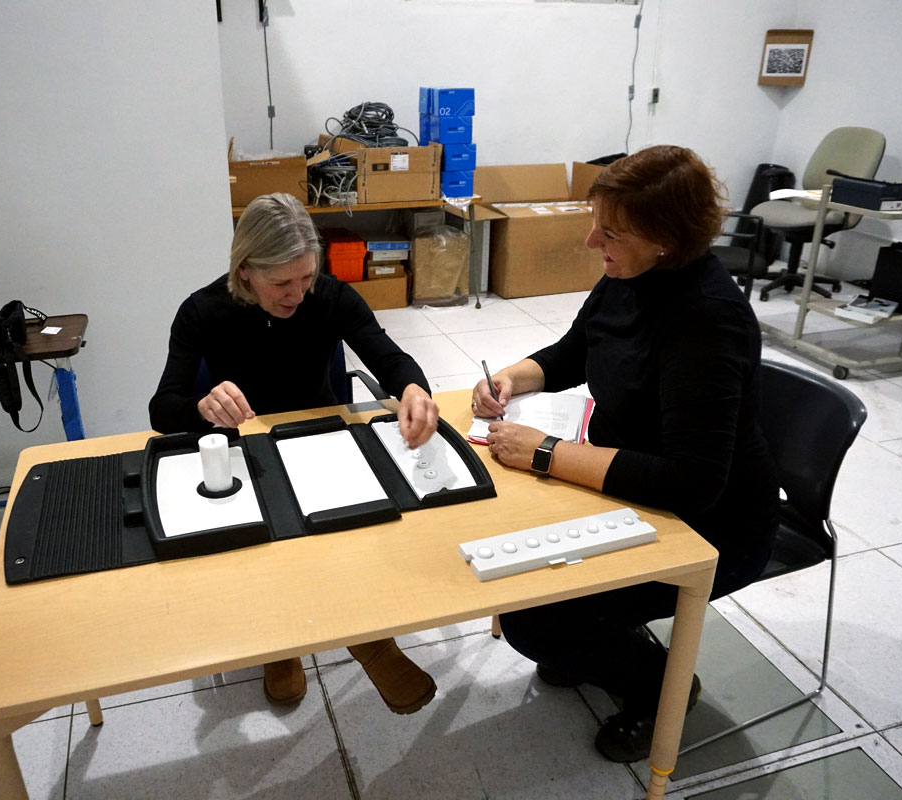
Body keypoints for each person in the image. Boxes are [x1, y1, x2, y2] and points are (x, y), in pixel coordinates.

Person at [471, 145, 779, 762]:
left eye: (609, 231)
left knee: (536, 622)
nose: (590, 242)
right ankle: (604, 641)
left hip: (711, 521)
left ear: (665, 237)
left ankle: (662, 686)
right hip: (628, 485)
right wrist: (508, 378)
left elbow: (691, 482)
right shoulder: (628, 276)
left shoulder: (706, 319)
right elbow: (573, 351)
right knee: (519, 576)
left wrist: (545, 454)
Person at [150, 192, 438, 715]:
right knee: (262, 534)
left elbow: (387, 355)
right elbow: (162, 407)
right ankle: (283, 643)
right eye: (281, 283)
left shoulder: (330, 296)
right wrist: (202, 406)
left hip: (316, 435)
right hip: (247, 444)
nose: (298, 295)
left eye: (306, 278)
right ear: (244, 272)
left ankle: (366, 638)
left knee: (344, 522)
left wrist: (414, 389)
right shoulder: (201, 311)